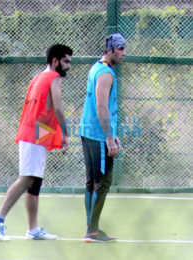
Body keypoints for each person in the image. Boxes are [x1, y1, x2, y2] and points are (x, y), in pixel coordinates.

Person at [0, 44, 73, 241]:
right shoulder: (54, 78)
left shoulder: (37, 78)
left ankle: (32, 229)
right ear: (55, 61)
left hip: (35, 132)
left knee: (35, 181)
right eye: (66, 61)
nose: (69, 66)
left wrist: (52, 136)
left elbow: (41, 110)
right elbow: (58, 107)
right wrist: (65, 133)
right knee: (26, 178)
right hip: (34, 133)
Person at [78, 33, 126, 242]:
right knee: (102, 183)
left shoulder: (96, 67)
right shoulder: (106, 73)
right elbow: (101, 106)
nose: (124, 53)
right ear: (110, 50)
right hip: (98, 136)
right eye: (120, 49)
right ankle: (92, 230)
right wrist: (109, 138)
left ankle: (92, 227)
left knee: (92, 182)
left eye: (124, 48)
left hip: (88, 132)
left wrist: (113, 135)